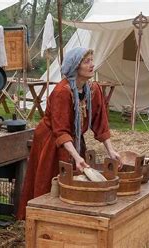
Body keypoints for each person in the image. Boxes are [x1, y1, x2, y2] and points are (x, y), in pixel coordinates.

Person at [16, 47, 120, 219]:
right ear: (75, 67)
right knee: (50, 179)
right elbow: (61, 130)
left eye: (92, 61)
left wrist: (111, 150)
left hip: (74, 139)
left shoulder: (93, 89)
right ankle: (44, 218)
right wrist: (77, 157)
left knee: (75, 176)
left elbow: (100, 122)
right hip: (51, 140)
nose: (92, 65)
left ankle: (71, 217)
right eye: (87, 62)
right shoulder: (62, 92)